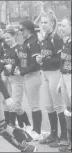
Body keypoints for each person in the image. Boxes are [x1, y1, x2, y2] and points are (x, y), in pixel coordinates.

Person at [37, 12, 68, 147]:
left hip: (55, 73)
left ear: (53, 24)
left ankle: (64, 136)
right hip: (44, 73)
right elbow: (46, 57)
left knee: (59, 105)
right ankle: (53, 134)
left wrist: (45, 59)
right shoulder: (44, 38)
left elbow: (61, 59)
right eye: (42, 22)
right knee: (48, 106)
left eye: (46, 22)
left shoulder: (56, 38)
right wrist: (40, 59)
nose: (43, 25)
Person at [16, 20, 45, 141]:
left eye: (21, 29)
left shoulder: (33, 42)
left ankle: (37, 131)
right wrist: (20, 66)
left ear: (28, 29)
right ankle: (35, 129)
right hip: (27, 75)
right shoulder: (27, 41)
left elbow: (35, 64)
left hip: (33, 75)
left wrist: (23, 71)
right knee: (32, 104)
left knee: (34, 105)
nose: (20, 32)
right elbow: (25, 59)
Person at [2, 28, 32, 128]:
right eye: (5, 38)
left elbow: (23, 63)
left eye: (9, 37)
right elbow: (4, 64)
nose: (7, 39)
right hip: (8, 79)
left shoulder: (19, 48)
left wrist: (13, 67)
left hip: (17, 79)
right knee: (10, 105)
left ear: (14, 36)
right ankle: (14, 126)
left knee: (16, 105)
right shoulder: (6, 49)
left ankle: (27, 124)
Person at [57, 14, 71, 152]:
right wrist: (61, 81)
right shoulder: (65, 41)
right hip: (65, 77)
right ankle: (69, 142)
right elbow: (63, 63)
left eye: (64, 25)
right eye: (60, 25)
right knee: (68, 109)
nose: (61, 28)